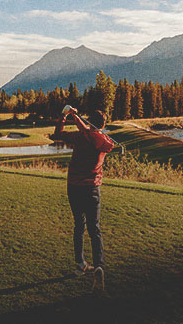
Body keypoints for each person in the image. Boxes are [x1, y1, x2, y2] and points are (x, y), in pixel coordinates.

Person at [51, 107, 114, 293]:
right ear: (103, 125)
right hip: (92, 189)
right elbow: (91, 133)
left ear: (91, 122)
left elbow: (58, 134)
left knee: (79, 225)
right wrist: (77, 118)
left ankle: (80, 264)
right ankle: (99, 266)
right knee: (95, 228)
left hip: (74, 188)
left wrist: (65, 115)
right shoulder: (105, 142)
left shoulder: (80, 137)